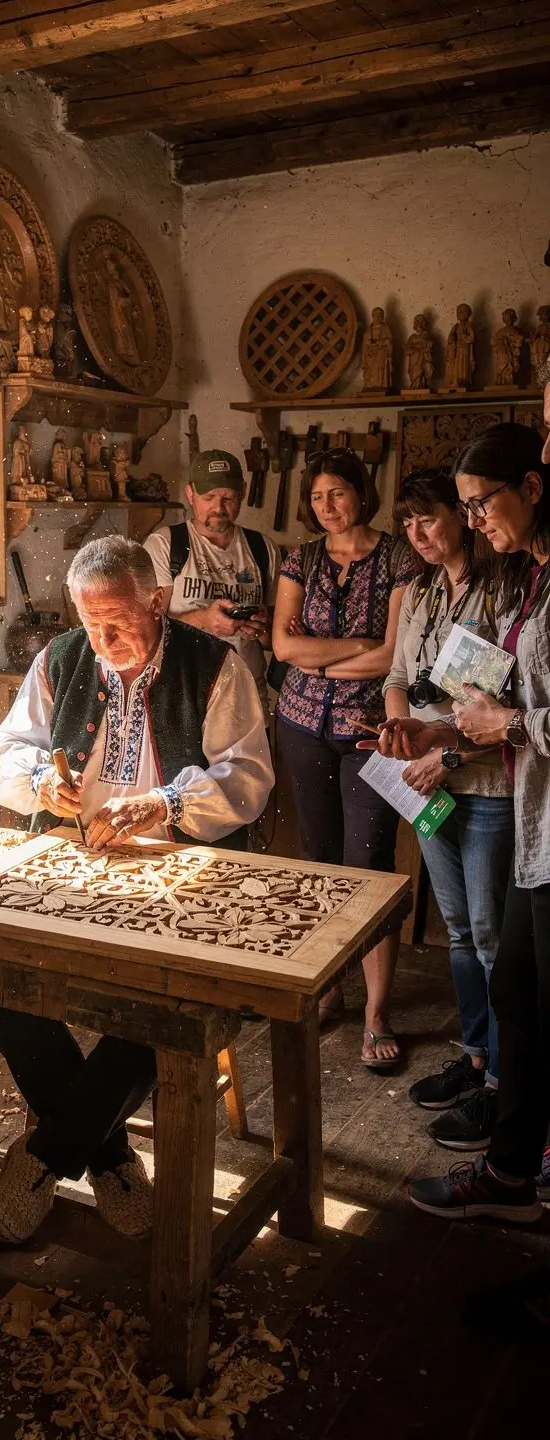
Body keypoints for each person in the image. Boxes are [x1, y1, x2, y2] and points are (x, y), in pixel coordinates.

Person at [0, 536, 273, 1246]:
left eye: (119, 621)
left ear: (159, 601)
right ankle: (108, 1156)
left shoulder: (215, 667)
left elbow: (248, 779)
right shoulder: (60, 659)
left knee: (170, 1008)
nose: (104, 639)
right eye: (90, 623)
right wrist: (39, 779)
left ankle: (53, 1155)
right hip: (80, 862)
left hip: (186, 869)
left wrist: (165, 803)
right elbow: (8, 745)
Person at [361, 412, 550, 1274]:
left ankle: (518, 1153)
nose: (470, 522)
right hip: (512, 814)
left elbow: (503, 704)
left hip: (506, 803)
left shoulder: (514, 585)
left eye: (478, 505)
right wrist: (425, 740)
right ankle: (507, 1139)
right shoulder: (514, 581)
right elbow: (415, 681)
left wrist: (489, 730)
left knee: (495, 954)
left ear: (534, 489)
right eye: (460, 508)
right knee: (506, 978)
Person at [271, 447, 416, 1068]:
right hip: (301, 725)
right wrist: (356, 644)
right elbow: (281, 645)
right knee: (321, 857)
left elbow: (394, 656)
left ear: (362, 492)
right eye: (318, 496)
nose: (328, 507)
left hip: (370, 730)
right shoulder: (299, 557)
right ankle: (329, 986)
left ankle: (377, 1010)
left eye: (339, 493)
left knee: (370, 864)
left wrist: (320, 652)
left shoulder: (399, 557)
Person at [384, 468, 513, 1150]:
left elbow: (486, 710)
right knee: (458, 931)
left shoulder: (504, 589)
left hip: (483, 780)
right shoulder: (420, 592)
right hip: (427, 781)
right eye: (407, 522)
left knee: (492, 937)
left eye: (428, 517)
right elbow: (399, 680)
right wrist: (401, 730)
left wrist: (443, 749)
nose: (419, 532)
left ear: (462, 516)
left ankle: (503, 1086)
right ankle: (476, 1057)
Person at [144, 449, 279, 723]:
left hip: (247, 700)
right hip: (184, 700)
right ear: (190, 494)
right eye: (208, 498)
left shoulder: (263, 548)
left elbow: (275, 640)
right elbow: (146, 628)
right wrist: (204, 620)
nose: (218, 508)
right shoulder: (165, 545)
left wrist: (262, 628)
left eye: (228, 498)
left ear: (242, 492)